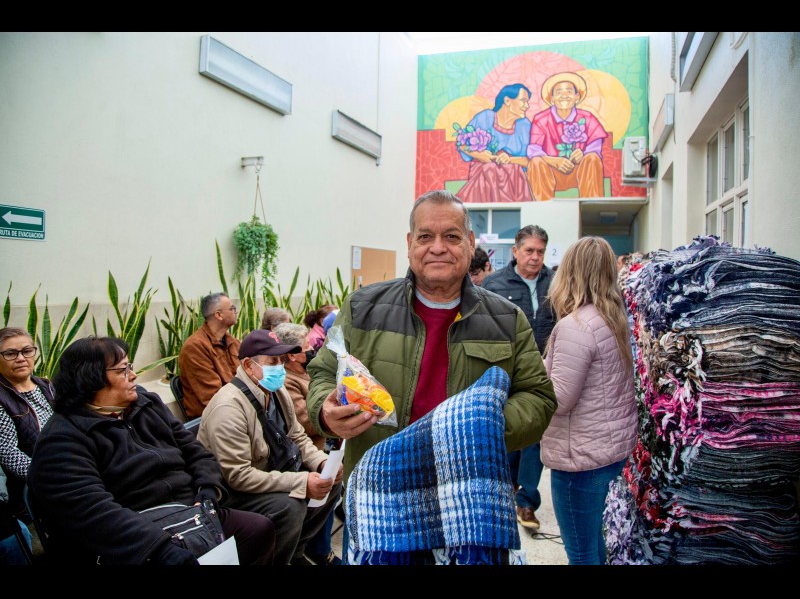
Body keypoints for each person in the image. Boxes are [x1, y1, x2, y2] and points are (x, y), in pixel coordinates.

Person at [306, 190, 557, 559]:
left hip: (469, 503)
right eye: (426, 236)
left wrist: (483, 427)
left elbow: (539, 397)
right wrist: (325, 412)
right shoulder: (362, 308)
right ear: (410, 243)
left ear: (470, 243)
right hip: (381, 499)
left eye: (451, 236)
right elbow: (323, 374)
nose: (438, 247)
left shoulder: (507, 319)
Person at [27, 336, 275, 565]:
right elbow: (95, 513)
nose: (133, 375)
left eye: (130, 366)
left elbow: (196, 453)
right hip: (137, 534)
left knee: (257, 529)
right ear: (90, 379)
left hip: (190, 511)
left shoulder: (146, 404)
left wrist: (208, 490)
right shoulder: (61, 440)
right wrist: (160, 549)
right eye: (123, 370)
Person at [197, 329, 343, 566]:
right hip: (235, 491)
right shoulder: (228, 408)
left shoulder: (276, 391)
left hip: (272, 469)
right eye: (273, 362)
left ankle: (297, 550)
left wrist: (321, 462)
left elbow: (297, 435)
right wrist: (301, 482)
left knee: (330, 484)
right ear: (249, 365)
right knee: (291, 506)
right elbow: (238, 476)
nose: (281, 368)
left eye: (282, 360)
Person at [541, 236, 636, 565]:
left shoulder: (575, 326)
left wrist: (529, 381)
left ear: (570, 272)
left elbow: (559, 399)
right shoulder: (614, 318)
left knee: (582, 554)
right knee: (594, 543)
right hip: (607, 451)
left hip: (579, 459)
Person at [482, 225, 557, 532]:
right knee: (510, 430)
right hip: (506, 370)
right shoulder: (494, 284)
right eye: (529, 251)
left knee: (536, 432)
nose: (535, 257)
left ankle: (527, 501)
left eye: (540, 251)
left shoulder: (555, 283)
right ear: (515, 251)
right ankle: (510, 486)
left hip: (543, 372)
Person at [274, 321, 341, 566]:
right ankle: (317, 548)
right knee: (328, 481)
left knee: (336, 478)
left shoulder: (306, 372)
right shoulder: (287, 381)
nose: (312, 350)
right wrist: (330, 413)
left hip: (325, 442)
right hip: (312, 447)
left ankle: (315, 545)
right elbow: (305, 422)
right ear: (291, 355)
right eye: (306, 348)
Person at [526, 72, 609, 201]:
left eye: (569, 91)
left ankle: (591, 205)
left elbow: (595, 147)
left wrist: (583, 154)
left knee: (592, 158)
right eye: (559, 92)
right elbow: (533, 150)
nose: (564, 95)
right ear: (552, 98)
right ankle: (543, 208)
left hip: (580, 173)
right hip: (551, 173)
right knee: (535, 162)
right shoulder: (541, 119)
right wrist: (554, 161)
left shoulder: (587, 118)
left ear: (577, 97)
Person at [0, 327, 54, 521]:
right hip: (35, 488)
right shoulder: (2, 398)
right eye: (10, 353)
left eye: (27, 351)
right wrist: (49, 476)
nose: (21, 358)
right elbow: (7, 452)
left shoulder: (48, 386)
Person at [456, 83, 533, 203]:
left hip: (513, 176)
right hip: (483, 171)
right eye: (523, 101)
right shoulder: (485, 117)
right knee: (490, 168)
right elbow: (462, 144)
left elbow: (529, 161)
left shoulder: (525, 125)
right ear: (507, 101)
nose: (527, 106)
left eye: (527, 102)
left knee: (506, 169)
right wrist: (479, 154)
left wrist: (509, 159)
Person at [178, 292, 240, 418]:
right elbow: (212, 397)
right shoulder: (194, 347)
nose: (236, 312)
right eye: (232, 308)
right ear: (218, 315)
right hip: (215, 416)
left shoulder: (232, 342)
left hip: (236, 406)